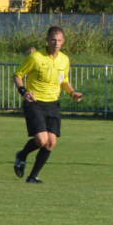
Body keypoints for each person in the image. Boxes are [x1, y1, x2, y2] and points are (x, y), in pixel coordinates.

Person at [12, 26, 84, 183]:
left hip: (53, 104)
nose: (56, 43)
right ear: (47, 40)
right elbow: (18, 75)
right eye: (53, 39)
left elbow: (64, 81)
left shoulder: (64, 59)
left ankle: (32, 177)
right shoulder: (36, 57)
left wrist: (72, 92)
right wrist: (24, 91)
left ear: (63, 42)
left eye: (59, 40)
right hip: (35, 102)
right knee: (42, 140)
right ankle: (22, 154)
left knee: (51, 143)